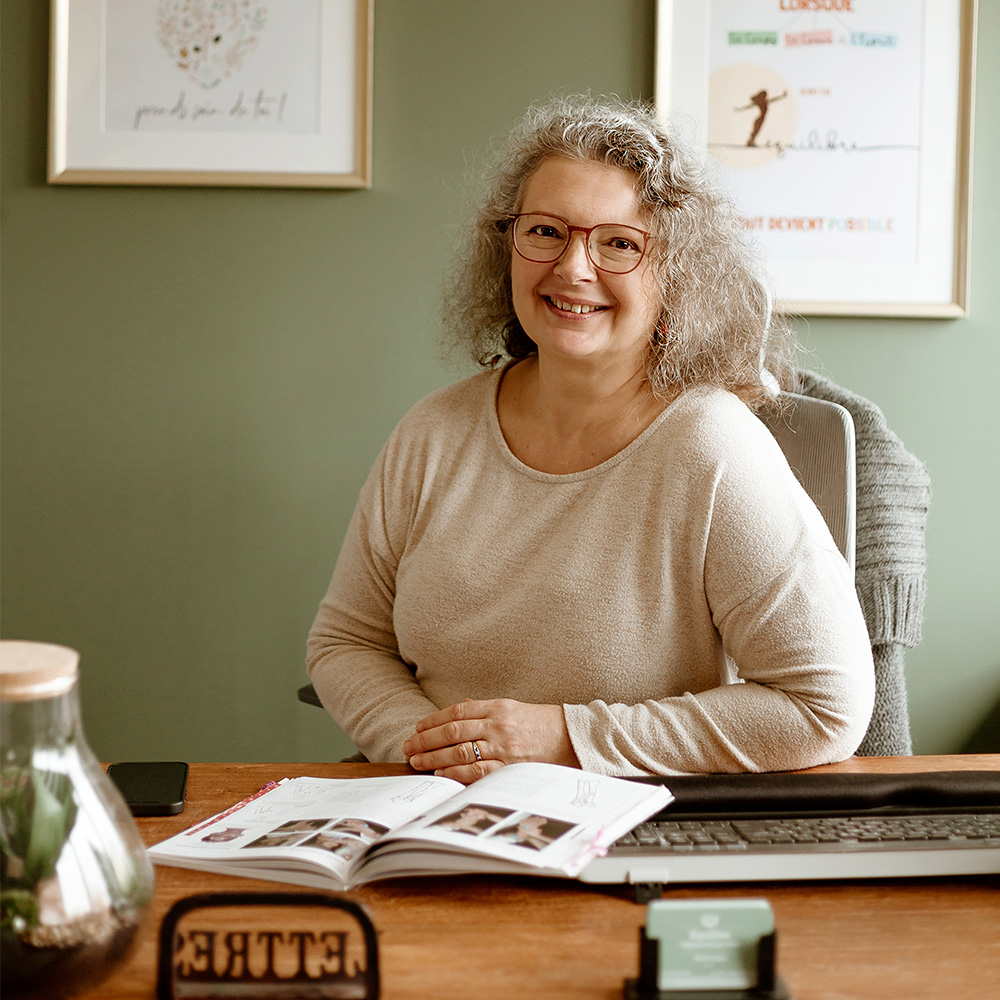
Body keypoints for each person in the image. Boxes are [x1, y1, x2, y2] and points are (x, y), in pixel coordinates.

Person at [306, 94, 874, 784]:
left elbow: (824, 706)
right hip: (432, 813)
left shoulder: (714, 449)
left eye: (619, 243)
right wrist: (435, 754)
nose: (574, 268)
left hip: (630, 831)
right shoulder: (433, 431)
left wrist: (565, 738)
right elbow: (346, 642)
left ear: (675, 276)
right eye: (546, 232)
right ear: (506, 248)